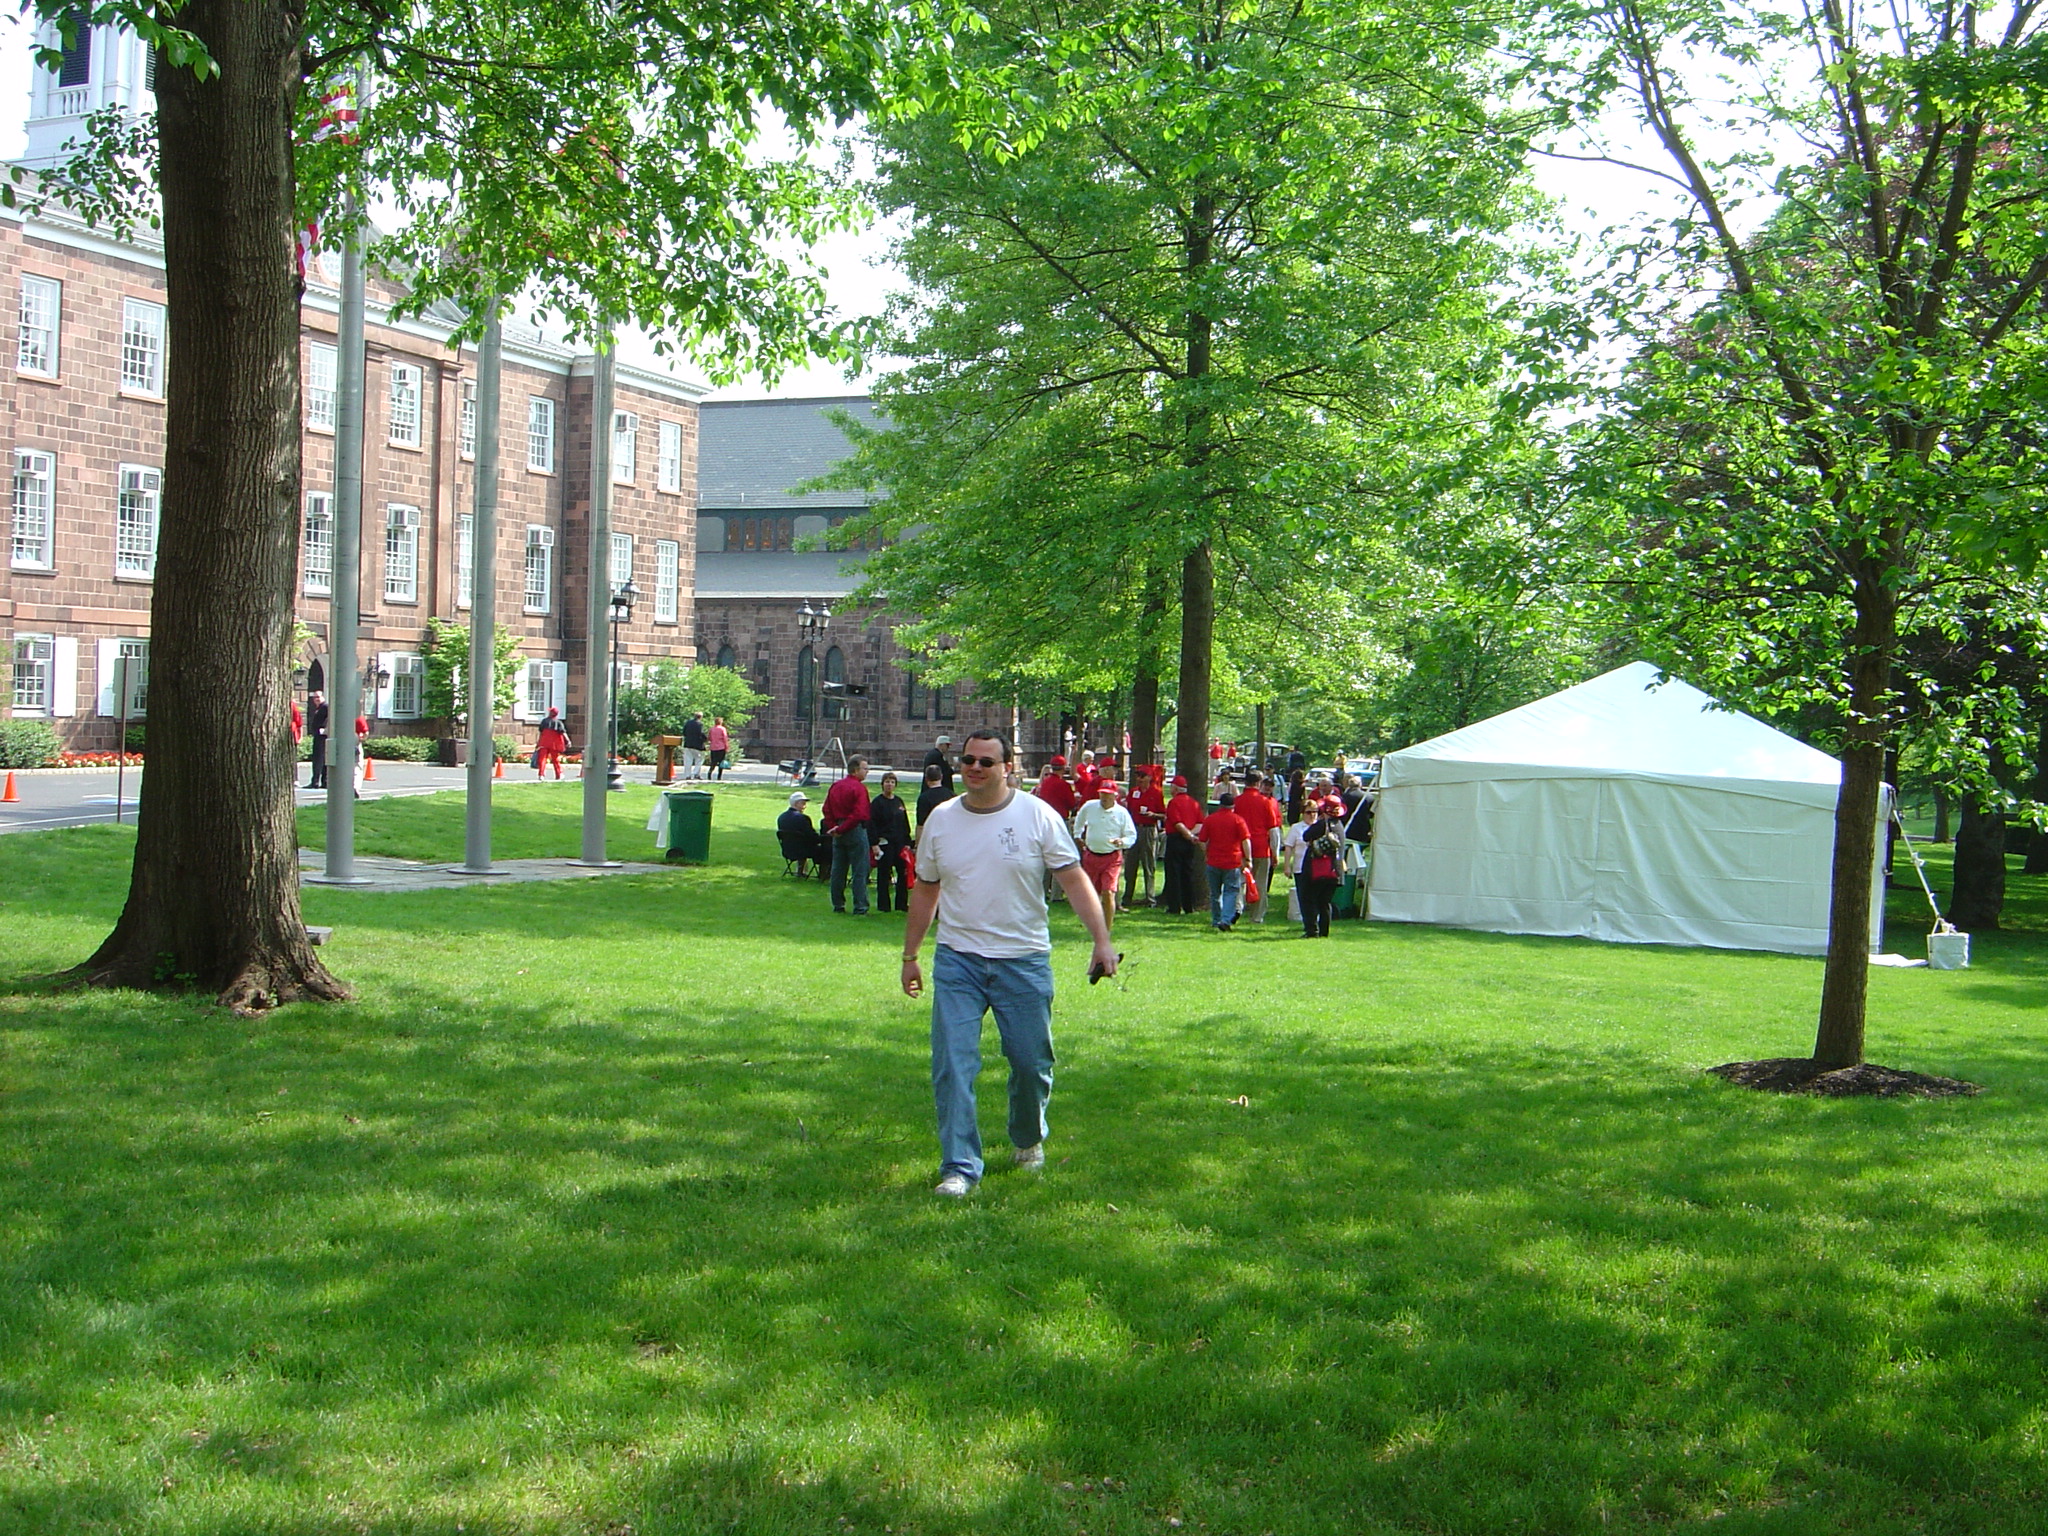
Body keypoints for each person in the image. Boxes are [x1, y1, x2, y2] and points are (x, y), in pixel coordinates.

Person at [901, 730, 1118, 1197]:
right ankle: (959, 1168)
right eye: (968, 761)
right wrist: (910, 955)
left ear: (1007, 768)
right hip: (959, 961)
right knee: (953, 1065)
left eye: (986, 762)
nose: (975, 768)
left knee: (1029, 1063)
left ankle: (1027, 1138)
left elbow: (1075, 879)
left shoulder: (1037, 815)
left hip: (1023, 960)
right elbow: (925, 888)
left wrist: (1101, 941)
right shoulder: (941, 819)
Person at [1072, 777, 1137, 929]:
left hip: (1112, 857)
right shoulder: (1090, 807)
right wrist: (1077, 835)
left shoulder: (1122, 813)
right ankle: (1093, 924)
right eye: (1102, 794)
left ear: (1115, 796)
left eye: (1108, 795)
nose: (1104, 798)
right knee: (1092, 894)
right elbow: (1079, 821)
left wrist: (1121, 842)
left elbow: (1131, 835)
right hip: (1092, 855)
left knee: (1108, 892)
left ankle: (1106, 929)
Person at [822, 755, 873, 915]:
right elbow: (859, 813)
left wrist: (833, 828)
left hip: (838, 828)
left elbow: (826, 809)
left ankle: (838, 903)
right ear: (856, 770)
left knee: (838, 869)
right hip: (854, 829)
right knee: (860, 870)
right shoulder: (858, 788)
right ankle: (860, 906)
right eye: (865, 768)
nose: (867, 772)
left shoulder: (836, 786)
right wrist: (843, 828)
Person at [1198, 789, 1254, 931]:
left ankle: (1216, 919)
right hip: (1232, 862)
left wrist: (1207, 853)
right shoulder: (1238, 820)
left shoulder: (1210, 819)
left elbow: (1202, 840)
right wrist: (1248, 858)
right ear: (1233, 806)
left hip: (1213, 861)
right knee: (1231, 891)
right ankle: (1226, 919)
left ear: (1220, 805)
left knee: (1215, 893)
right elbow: (1245, 840)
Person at [1294, 797, 1348, 937]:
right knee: (1325, 902)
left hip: (1318, 870)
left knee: (1309, 899)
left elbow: (1306, 836)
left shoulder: (1322, 824)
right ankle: (1324, 931)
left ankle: (1311, 930)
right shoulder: (1339, 826)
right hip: (1334, 871)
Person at [1235, 771, 1283, 924]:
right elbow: (1273, 830)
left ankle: (1237, 909)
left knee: (1239, 881)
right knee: (1260, 882)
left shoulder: (1237, 801)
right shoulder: (1265, 802)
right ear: (1259, 783)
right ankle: (1257, 916)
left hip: (1240, 847)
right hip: (1262, 847)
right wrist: (1275, 853)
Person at [870, 770, 914, 914]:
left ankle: (901, 903)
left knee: (903, 873)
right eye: (887, 782)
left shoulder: (898, 802)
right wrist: (875, 843)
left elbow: (904, 822)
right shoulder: (877, 803)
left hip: (899, 843)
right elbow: (872, 824)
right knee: (884, 874)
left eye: (892, 782)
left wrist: (908, 842)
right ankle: (884, 905)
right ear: (882, 784)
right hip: (885, 842)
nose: (889, 785)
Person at [1161, 773, 1206, 915]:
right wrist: (1192, 835)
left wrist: (1187, 834)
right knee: (1187, 872)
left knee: (1174, 873)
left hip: (1176, 839)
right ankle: (1188, 906)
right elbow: (1200, 823)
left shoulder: (1174, 803)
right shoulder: (1194, 803)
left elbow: (1177, 823)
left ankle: (1174, 907)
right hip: (1189, 842)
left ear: (1175, 788)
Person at [1122, 765, 1165, 909]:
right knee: (1130, 865)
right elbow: (1127, 810)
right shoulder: (1133, 792)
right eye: (1137, 776)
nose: (1139, 779)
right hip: (1134, 829)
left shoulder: (1156, 793)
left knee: (1149, 864)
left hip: (1148, 829)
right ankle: (1127, 897)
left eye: (1142, 776)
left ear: (1149, 778)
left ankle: (1150, 898)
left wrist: (1154, 815)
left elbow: (1164, 814)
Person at [777, 791, 828, 878]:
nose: (805, 806)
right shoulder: (803, 818)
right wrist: (826, 838)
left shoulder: (782, 817)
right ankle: (824, 875)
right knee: (826, 850)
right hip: (803, 850)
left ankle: (800, 871)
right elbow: (813, 838)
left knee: (801, 843)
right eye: (803, 803)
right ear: (797, 803)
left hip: (788, 849)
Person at [1034, 755, 1079, 822]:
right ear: (1064, 768)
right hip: (1060, 818)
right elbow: (1071, 804)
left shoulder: (1045, 783)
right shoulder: (1064, 784)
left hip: (1045, 818)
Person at [916, 762, 955, 833]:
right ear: (941, 777)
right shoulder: (951, 795)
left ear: (926, 778)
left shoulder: (924, 798)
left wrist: (918, 843)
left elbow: (921, 825)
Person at [536, 707, 570, 780]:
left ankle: (541, 775)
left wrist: (538, 743)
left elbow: (541, 733)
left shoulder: (544, 721)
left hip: (544, 743)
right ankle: (559, 774)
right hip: (554, 744)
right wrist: (568, 741)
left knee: (542, 759)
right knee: (555, 759)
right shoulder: (559, 723)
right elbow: (563, 733)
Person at [305, 691, 330, 788]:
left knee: (319, 759)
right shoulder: (319, 708)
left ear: (323, 697)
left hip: (322, 736)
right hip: (318, 735)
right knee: (321, 759)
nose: (317, 699)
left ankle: (316, 781)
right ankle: (323, 781)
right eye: (315, 697)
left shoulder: (325, 707)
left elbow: (329, 719)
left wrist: (325, 729)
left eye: (318, 697)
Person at [681, 712, 708, 780]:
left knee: (688, 760)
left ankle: (688, 775)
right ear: (700, 717)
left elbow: (684, 732)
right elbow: (701, 734)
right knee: (699, 760)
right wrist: (706, 739)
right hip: (697, 745)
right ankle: (696, 773)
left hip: (688, 744)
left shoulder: (688, 723)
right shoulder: (700, 724)